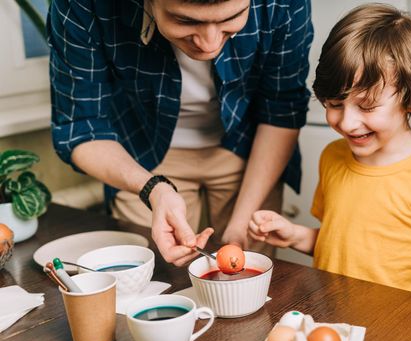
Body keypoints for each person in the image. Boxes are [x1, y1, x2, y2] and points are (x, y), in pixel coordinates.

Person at [248, 3, 411, 298]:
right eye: (335, 104)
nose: (348, 123)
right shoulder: (333, 157)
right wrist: (295, 236)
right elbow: (341, 247)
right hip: (338, 326)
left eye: (367, 106)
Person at [48, 0, 313, 266]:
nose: (209, 44)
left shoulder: (285, 3)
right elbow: (81, 127)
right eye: (186, 21)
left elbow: (281, 109)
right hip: (140, 153)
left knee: (249, 274)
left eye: (232, 17)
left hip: (249, 147)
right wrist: (154, 189)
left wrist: (241, 224)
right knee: (152, 274)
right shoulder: (82, 4)